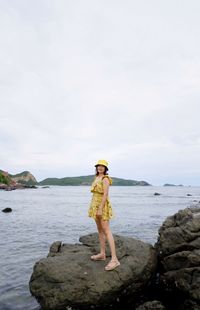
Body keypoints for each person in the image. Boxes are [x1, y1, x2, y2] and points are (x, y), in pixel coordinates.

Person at [88, 159, 120, 271]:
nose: (100, 168)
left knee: (106, 230)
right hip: (95, 205)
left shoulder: (105, 179)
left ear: (105, 168)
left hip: (102, 206)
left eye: (102, 166)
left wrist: (101, 208)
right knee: (100, 230)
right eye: (98, 166)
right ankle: (102, 254)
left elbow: (105, 194)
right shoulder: (96, 177)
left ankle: (115, 259)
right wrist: (95, 208)